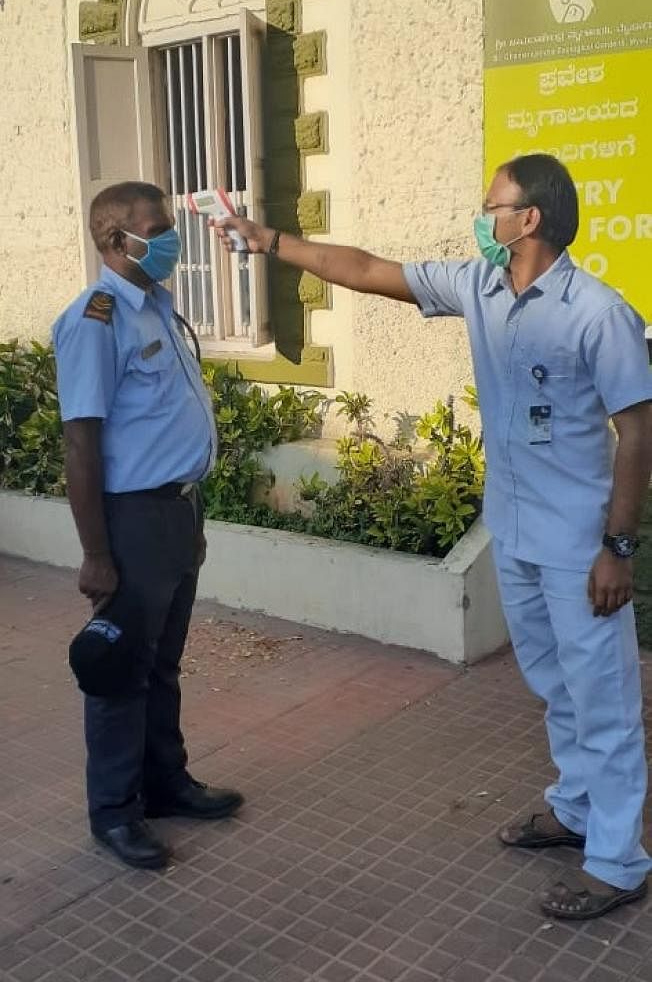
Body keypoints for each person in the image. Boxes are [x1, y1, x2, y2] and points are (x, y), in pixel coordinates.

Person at [215, 153, 652, 920]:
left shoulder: (597, 313)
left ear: (530, 219)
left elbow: (639, 430)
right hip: (513, 530)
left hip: (579, 545)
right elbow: (367, 268)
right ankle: (575, 809)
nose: (481, 218)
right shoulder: (479, 286)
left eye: (492, 206)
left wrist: (618, 547)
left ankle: (618, 860)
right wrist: (269, 239)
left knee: (604, 698)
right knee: (554, 684)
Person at [53, 182, 243, 870]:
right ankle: (114, 813)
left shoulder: (157, 306)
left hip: (175, 511)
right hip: (130, 522)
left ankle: (167, 783)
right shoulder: (95, 320)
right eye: (156, 229)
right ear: (114, 242)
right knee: (120, 672)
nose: (170, 238)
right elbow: (81, 442)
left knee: (162, 663)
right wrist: (96, 555)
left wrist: (188, 516)